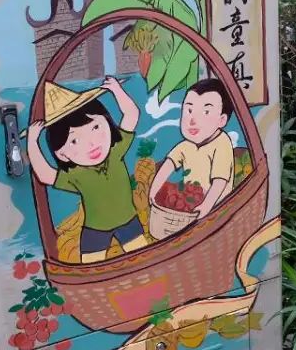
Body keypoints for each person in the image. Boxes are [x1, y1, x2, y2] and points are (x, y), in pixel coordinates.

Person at [27, 77, 144, 263]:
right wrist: (32, 142)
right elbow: (45, 175)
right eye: (74, 140)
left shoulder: (115, 151)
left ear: (108, 122)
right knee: (91, 270)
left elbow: (131, 115)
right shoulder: (76, 174)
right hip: (95, 230)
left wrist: (117, 90)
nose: (91, 144)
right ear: (62, 154)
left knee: (143, 260)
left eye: (95, 127)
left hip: (129, 221)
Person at [150, 79, 235, 218]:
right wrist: (153, 192)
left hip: (217, 208)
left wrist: (206, 206)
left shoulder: (222, 143)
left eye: (206, 112)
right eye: (189, 110)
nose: (193, 120)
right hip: (190, 205)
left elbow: (220, 181)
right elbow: (168, 166)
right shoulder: (186, 146)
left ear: (222, 120)